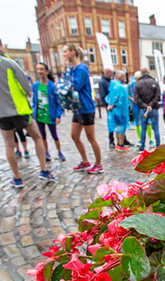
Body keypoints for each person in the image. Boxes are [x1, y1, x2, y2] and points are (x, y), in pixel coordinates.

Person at [0, 39, 55, 187]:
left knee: (9, 145)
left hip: (2, 113)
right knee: (37, 137)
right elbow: (26, 86)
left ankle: (17, 178)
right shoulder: (9, 63)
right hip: (19, 109)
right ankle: (44, 170)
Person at [63, 44, 103, 174]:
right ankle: (85, 161)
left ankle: (98, 164)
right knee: (74, 135)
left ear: (72, 52)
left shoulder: (81, 68)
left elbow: (76, 86)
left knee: (91, 137)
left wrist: (67, 72)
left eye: (65, 52)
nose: (64, 54)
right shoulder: (74, 69)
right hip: (77, 108)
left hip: (86, 107)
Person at [32, 62, 64, 162]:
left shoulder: (52, 86)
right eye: (38, 69)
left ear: (46, 71)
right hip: (39, 115)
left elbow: (59, 102)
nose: (39, 71)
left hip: (50, 115)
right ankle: (46, 152)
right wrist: (33, 112)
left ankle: (59, 152)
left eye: (41, 69)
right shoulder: (35, 85)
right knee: (42, 136)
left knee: (55, 135)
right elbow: (34, 100)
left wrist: (58, 115)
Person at [134, 67, 161, 152]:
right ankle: (158, 146)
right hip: (153, 109)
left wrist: (145, 106)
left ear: (141, 73)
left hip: (143, 109)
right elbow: (158, 96)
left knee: (143, 128)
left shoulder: (138, 84)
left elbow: (136, 98)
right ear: (148, 72)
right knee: (156, 128)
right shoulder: (154, 82)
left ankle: (142, 146)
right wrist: (151, 105)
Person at [105, 70, 130, 151]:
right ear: (121, 77)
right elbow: (118, 98)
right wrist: (113, 105)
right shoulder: (120, 87)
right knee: (121, 128)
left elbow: (109, 97)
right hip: (120, 111)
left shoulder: (113, 85)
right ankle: (121, 144)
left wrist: (110, 105)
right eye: (124, 76)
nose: (125, 78)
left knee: (117, 128)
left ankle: (118, 144)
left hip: (115, 111)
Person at [129, 71, 153, 148]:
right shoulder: (131, 85)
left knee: (148, 123)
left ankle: (150, 139)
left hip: (144, 106)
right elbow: (127, 95)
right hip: (136, 107)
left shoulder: (144, 84)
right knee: (137, 123)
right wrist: (132, 98)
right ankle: (140, 139)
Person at [98, 68, 114, 148]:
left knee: (118, 123)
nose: (111, 75)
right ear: (106, 73)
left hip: (114, 105)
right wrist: (107, 105)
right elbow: (102, 95)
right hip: (109, 106)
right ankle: (111, 140)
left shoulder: (110, 81)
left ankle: (122, 139)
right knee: (111, 124)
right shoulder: (102, 82)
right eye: (110, 73)